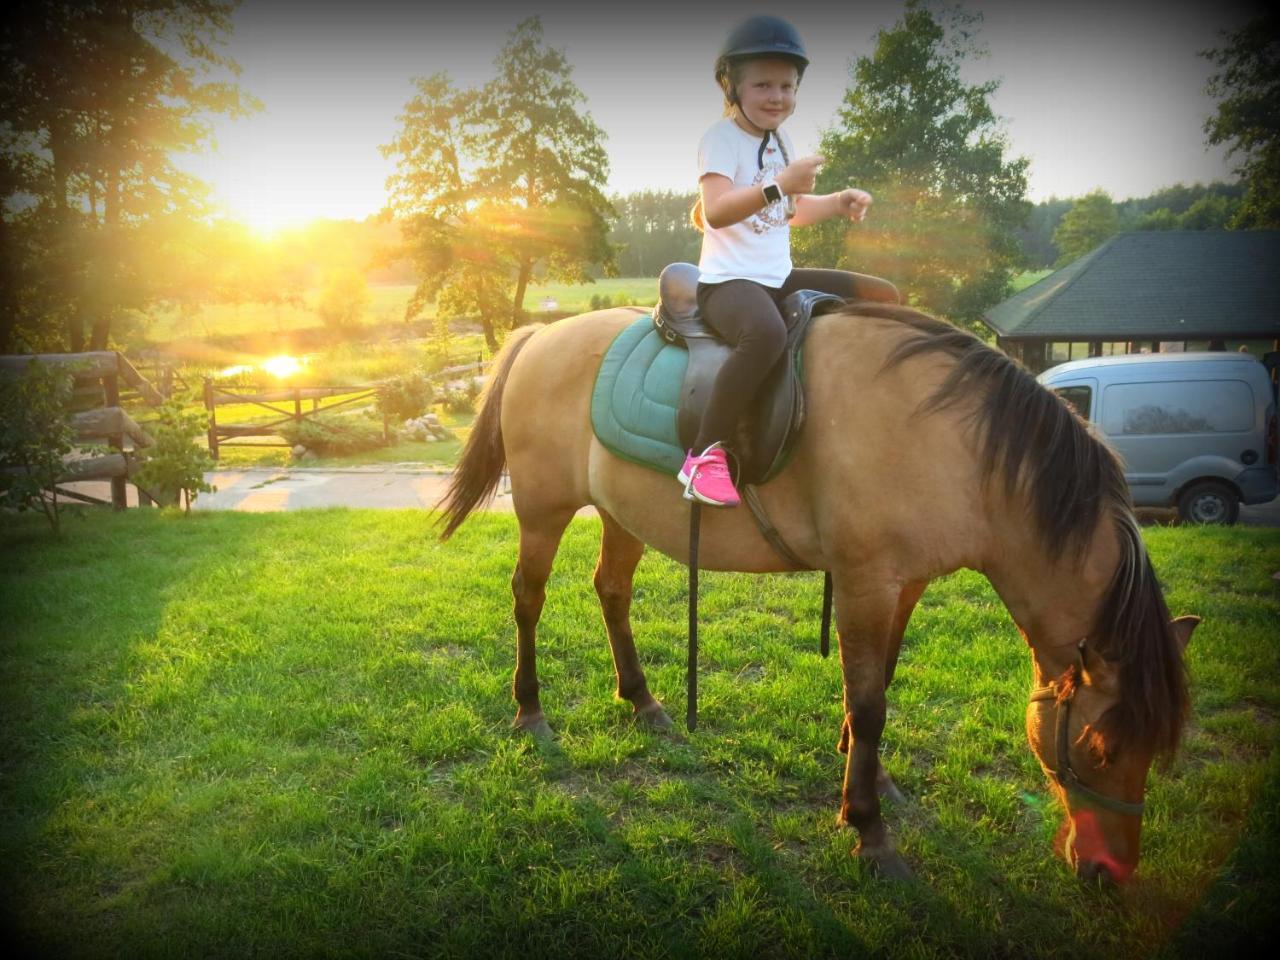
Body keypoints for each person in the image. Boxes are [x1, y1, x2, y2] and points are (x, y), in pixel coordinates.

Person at [679, 15, 898, 507]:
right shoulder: (721, 139)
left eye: (787, 85)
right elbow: (715, 210)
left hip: (775, 276)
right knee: (766, 335)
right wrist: (780, 184)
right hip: (728, 283)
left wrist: (838, 201)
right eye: (762, 84)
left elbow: (789, 213)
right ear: (731, 84)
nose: (776, 96)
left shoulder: (781, 144)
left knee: (881, 296)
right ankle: (702, 457)